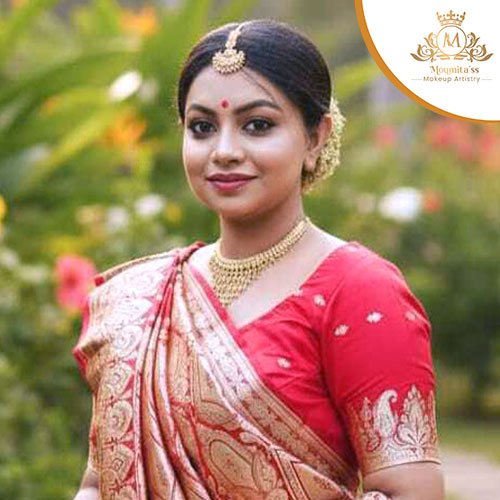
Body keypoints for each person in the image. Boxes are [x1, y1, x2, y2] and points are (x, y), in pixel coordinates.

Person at [73, 19, 444, 500]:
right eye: (202, 127)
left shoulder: (359, 289)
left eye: (258, 125)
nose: (225, 151)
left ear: (315, 137)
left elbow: (410, 491)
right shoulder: (138, 299)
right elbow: (100, 483)